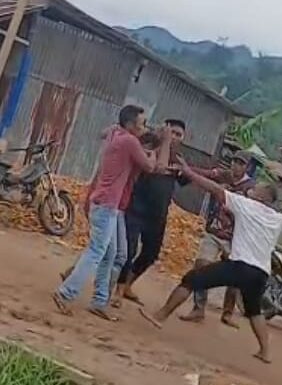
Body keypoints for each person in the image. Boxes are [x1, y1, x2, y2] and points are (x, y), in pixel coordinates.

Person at [139, 156, 282, 363]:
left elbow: (213, 188)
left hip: (239, 266)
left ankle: (160, 316)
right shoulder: (278, 219)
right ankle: (265, 351)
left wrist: (189, 173)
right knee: (254, 310)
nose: (253, 188)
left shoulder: (245, 204)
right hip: (260, 274)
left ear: (262, 197)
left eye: (258, 189)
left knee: (191, 279)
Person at [52, 105, 171, 320]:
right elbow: (153, 167)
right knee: (97, 251)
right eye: (142, 123)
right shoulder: (129, 141)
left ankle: (99, 300)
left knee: (113, 254)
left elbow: (106, 132)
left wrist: (149, 141)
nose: (145, 127)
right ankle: (66, 292)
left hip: (109, 205)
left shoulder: (117, 134)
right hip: (108, 205)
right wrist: (161, 145)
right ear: (130, 125)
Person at [113, 118, 189, 307]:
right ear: (163, 130)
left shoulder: (179, 159)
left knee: (151, 253)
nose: (174, 137)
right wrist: (162, 144)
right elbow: (153, 167)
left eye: (178, 134)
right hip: (136, 208)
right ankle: (118, 290)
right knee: (128, 250)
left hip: (158, 215)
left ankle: (128, 284)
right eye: (171, 132)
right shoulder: (146, 147)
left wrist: (185, 170)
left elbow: (185, 180)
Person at [180, 150, 255, 327]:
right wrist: (187, 169)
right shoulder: (224, 175)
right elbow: (207, 174)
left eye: (241, 163)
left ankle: (227, 312)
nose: (236, 166)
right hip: (214, 231)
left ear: (247, 167)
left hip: (236, 238)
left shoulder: (251, 188)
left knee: (235, 277)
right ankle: (198, 308)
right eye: (235, 161)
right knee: (201, 266)